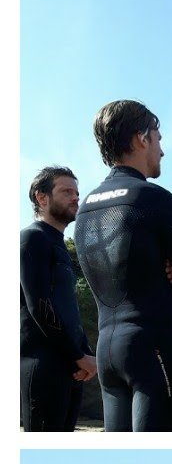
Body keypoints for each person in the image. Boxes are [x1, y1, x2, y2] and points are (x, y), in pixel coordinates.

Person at [74, 100, 172, 431]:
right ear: (141, 139)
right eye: (158, 139)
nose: (162, 150)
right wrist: (170, 274)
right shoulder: (155, 199)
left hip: (106, 351)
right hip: (154, 344)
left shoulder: (86, 206)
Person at [21, 166, 97, 430]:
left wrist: (85, 354)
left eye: (77, 192)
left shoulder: (59, 245)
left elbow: (68, 309)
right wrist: (78, 355)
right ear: (42, 198)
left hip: (70, 367)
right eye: (66, 191)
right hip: (42, 366)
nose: (76, 197)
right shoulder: (32, 239)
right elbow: (39, 306)